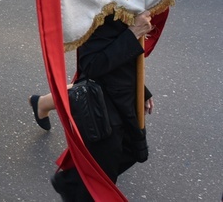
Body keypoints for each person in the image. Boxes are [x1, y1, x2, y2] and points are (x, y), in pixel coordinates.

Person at [50, 12, 154, 201]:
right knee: (97, 184)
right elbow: (91, 65)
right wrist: (133, 33)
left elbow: (120, 59)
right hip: (102, 106)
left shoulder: (124, 2)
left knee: (133, 150)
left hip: (123, 96)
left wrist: (142, 91)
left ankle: (71, 182)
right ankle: (75, 186)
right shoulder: (97, 6)